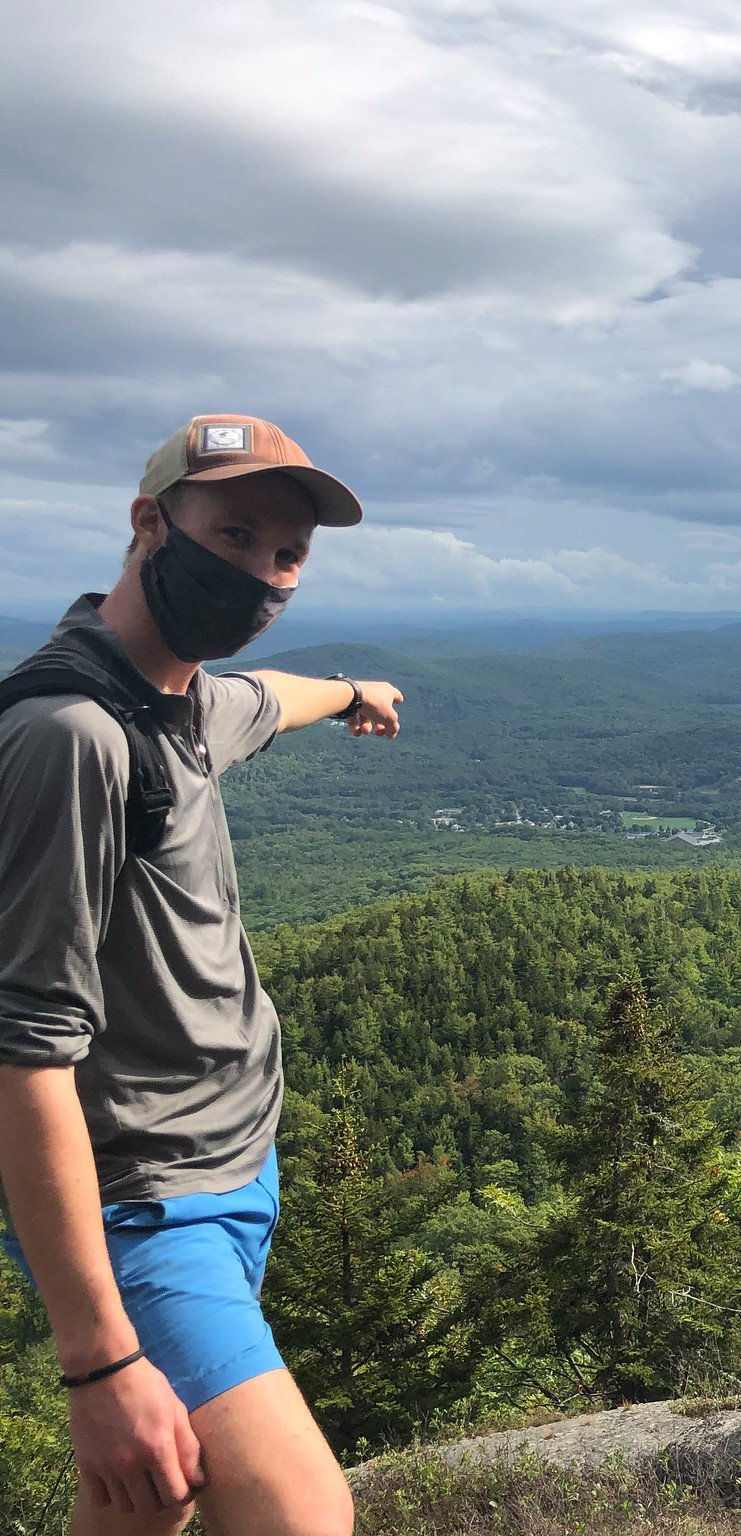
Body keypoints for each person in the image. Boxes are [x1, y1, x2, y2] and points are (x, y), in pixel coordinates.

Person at [0, 416, 405, 1536]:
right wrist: (99, 1365)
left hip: (234, 1163)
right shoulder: (71, 735)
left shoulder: (176, 701)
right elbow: (24, 1055)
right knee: (301, 1517)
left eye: (285, 556)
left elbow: (268, 696)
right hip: (145, 1200)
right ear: (148, 524)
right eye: (232, 534)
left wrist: (354, 687)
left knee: (151, 1496)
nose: (261, 575)